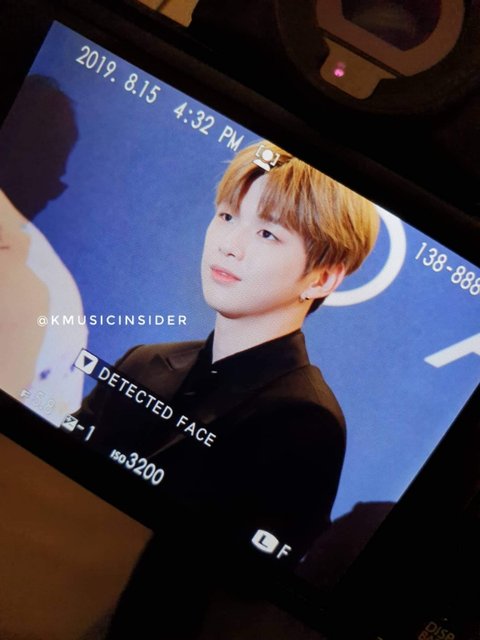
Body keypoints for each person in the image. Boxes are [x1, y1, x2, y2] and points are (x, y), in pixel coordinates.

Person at [77, 140, 379, 558]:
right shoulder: (143, 361)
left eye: (267, 233)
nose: (229, 244)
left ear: (322, 279)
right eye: (227, 216)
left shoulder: (306, 420)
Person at [0, 74, 87, 425]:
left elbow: (54, 414)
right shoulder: (48, 294)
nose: (52, 194)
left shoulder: (57, 298)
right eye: (52, 174)